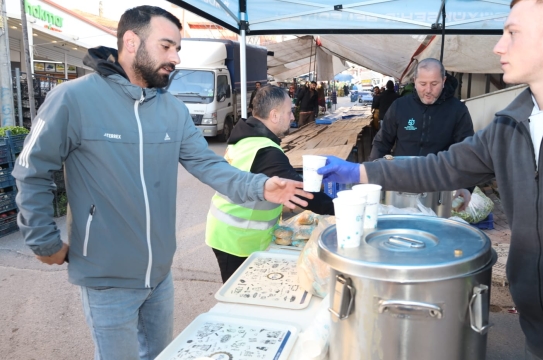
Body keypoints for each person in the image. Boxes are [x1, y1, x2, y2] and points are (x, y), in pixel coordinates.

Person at [318, 0, 543, 359]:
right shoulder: (509, 122)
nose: (498, 46)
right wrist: (361, 171)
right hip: (539, 334)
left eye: (512, 33)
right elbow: (439, 167)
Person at [12, 6, 312, 360]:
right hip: (106, 275)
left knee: (159, 354)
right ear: (130, 41)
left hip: (160, 273)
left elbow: (206, 164)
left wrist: (260, 187)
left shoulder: (172, 109)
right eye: (166, 46)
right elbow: (31, 169)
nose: (176, 58)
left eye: (178, 48)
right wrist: (43, 240)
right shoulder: (73, 98)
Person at [206, 86, 335, 282]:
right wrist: (340, 209)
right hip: (237, 238)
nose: (292, 117)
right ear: (274, 115)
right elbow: (302, 193)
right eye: (289, 111)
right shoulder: (265, 151)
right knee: (240, 296)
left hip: (229, 232)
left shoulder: (245, 137)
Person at [369, 58, 474, 161]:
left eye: (434, 84)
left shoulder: (458, 110)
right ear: (415, 81)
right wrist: (373, 171)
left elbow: (465, 150)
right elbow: (382, 142)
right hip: (403, 173)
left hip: (440, 176)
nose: (428, 90)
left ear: (443, 81)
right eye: (423, 84)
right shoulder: (399, 106)